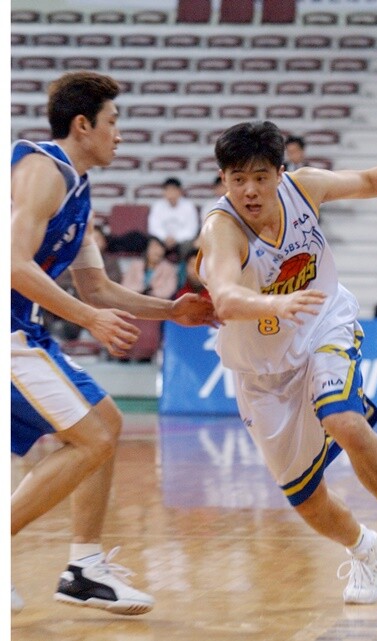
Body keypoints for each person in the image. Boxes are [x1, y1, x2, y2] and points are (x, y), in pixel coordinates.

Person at [197, 121, 377, 604]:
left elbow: (368, 181)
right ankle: (367, 550)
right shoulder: (221, 230)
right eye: (237, 179)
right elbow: (223, 296)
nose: (249, 190)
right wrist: (274, 304)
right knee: (305, 499)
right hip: (263, 371)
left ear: (280, 173)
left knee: (343, 419)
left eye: (260, 177)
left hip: (323, 324)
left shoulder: (304, 187)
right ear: (223, 179)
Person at [11, 71, 217, 615]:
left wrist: (171, 310)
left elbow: (96, 287)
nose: (120, 134)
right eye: (113, 121)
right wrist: (89, 320)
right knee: (92, 440)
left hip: (22, 328)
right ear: (83, 125)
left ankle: (83, 568)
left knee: (107, 423)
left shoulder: (78, 189)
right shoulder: (42, 171)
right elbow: (13, 264)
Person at [147, 176, 200, 262]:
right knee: (153, 244)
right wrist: (165, 237)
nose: (170, 193)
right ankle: (155, 268)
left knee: (189, 245)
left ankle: (182, 268)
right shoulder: (157, 206)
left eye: (173, 190)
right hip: (163, 239)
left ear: (180, 191)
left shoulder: (189, 206)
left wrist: (176, 238)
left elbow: (191, 229)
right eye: (167, 190)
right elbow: (154, 227)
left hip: (182, 241)